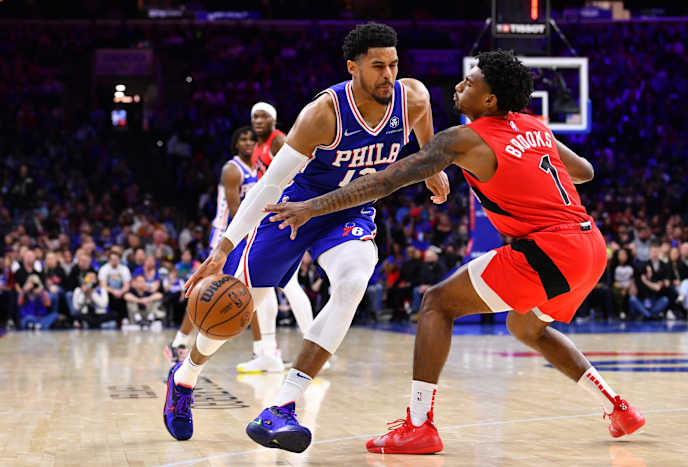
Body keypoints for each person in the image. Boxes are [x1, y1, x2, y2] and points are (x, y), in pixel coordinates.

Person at [264, 50, 645, 453]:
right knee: (525, 327)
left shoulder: (463, 140)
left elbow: (384, 182)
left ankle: (418, 425)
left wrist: (312, 207)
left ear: (490, 101)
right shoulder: (535, 126)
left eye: (472, 80)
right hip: (590, 247)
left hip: (548, 250)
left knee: (435, 304)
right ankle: (618, 407)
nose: (461, 84)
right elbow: (584, 171)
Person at [170, 22, 449, 447]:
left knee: (354, 281)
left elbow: (425, 120)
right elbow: (268, 186)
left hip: (349, 213)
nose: (388, 75)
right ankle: (185, 377)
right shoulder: (323, 114)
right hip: (294, 212)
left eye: (393, 64)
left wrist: (432, 166)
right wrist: (222, 249)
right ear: (352, 68)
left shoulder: (412, 97)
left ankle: (281, 407)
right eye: (378, 66)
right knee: (234, 307)